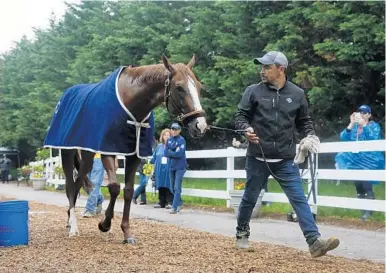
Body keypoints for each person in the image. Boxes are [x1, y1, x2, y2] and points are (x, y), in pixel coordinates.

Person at [233, 51, 339, 258]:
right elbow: (240, 116)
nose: (262, 71)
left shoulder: (297, 94)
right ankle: (242, 233)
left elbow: (304, 122)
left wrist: (309, 136)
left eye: (266, 67)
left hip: (285, 160)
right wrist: (245, 129)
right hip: (257, 157)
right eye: (261, 67)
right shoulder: (252, 91)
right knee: (249, 198)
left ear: (280, 69)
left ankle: (314, 242)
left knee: (299, 199)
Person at [335, 105, 385, 220]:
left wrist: (364, 125)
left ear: (369, 115)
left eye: (364, 112)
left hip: (369, 161)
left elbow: (373, 138)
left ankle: (369, 213)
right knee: (358, 187)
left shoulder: (374, 126)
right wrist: (351, 123)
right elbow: (343, 137)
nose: (362, 114)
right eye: (360, 112)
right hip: (355, 161)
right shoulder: (354, 127)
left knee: (367, 185)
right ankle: (363, 212)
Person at [164, 123, 187, 214]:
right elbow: (166, 153)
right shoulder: (169, 140)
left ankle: (174, 207)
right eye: (173, 129)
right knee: (172, 187)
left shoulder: (182, 140)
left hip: (180, 166)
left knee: (177, 187)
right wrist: (173, 151)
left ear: (179, 130)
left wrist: (171, 152)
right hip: (171, 166)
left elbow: (179, 154)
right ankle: (178, 203)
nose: (174, 131)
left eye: (176, 129)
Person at [152, 129, 174, 209]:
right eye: (165, 135)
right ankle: (161, 202)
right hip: (159, 169)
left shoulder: (173, 145)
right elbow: (154, 157)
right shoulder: (159, 146)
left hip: (169, 168)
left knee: (169, 184)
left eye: (168, 135)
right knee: (160, 184)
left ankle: (169, 202)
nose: (166, 137)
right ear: (162, 136)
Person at [83, 153, 105, 217]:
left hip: (99, 157)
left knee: (94, 183)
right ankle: (99, 199)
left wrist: (115, 159)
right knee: (86, 183)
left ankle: (90, 209)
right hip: (87, 157)